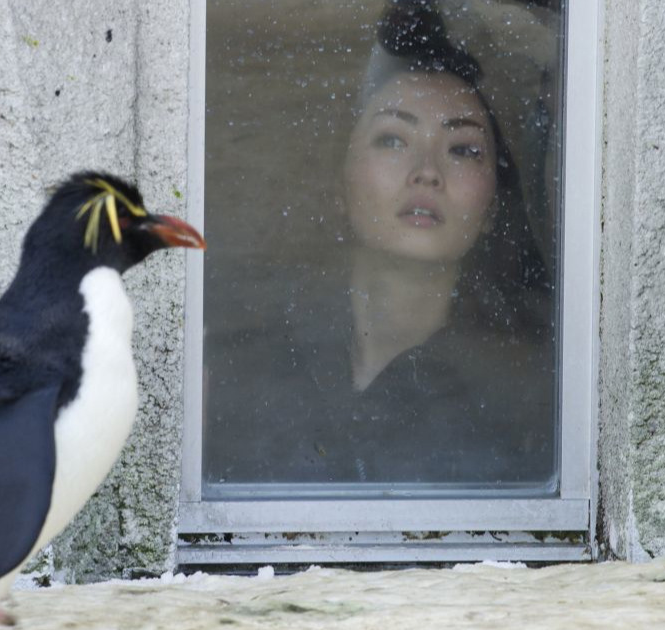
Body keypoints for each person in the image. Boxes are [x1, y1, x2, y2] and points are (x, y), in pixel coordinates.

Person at [204, 2, 556, 490]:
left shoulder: (539, 407)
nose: (426, 171)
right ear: (339, 184)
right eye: (393, 139)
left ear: (494, 204)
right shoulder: (232, 375)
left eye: (463, 149)